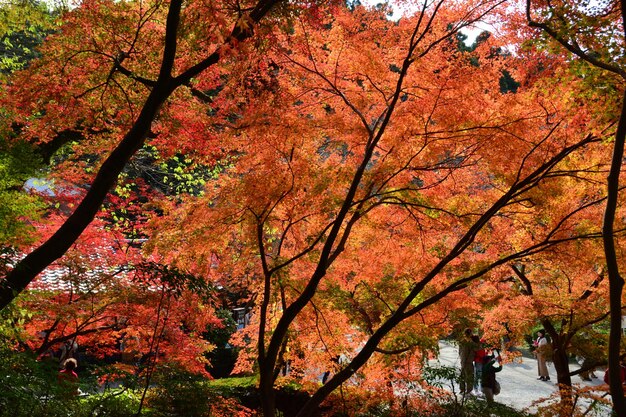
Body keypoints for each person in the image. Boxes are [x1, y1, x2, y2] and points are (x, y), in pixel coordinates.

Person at [458, 328, 477, 394]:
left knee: (463, 375)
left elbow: (460, 352)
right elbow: (473, 351)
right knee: (469, 376)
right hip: (468, 362)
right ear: (470, 333)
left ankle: (462, 389)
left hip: (463, 361)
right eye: (471, 333)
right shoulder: (470, 342)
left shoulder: (462, 341)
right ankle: (468, 390)